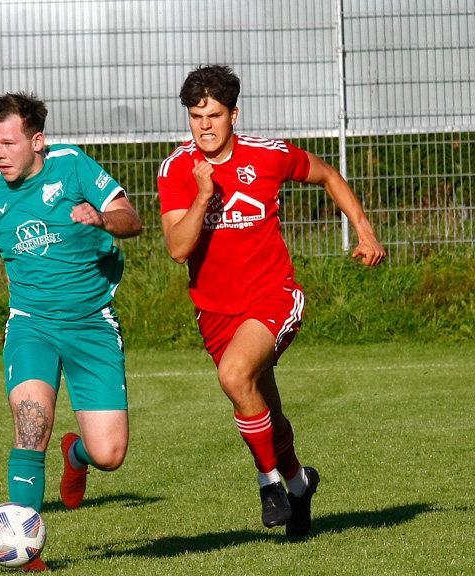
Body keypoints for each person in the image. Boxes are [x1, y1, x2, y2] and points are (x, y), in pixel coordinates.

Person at [157, 65, 386, 537]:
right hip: (215, 310)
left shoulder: (267, 155)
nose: (204, 125)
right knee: (264, 408)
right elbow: (178, 249)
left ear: (234, 114)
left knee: (234, 375)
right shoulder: (177, 168)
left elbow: (326, 175)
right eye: (196, 116)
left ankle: (269, 485)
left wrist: (364, 229)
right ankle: (300, 483)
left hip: (273, 294)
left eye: (214, 115)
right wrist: (202, 197)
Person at [0, 92, 142, 571]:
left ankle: (76, 456)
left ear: (37, 141)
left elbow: (132, 219)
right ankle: (27, 549)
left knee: (110, 453)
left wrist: (101, 218)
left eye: (9, 144)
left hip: (92, 324)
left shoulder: (73, 166)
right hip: (32, 327)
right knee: (30, 424)